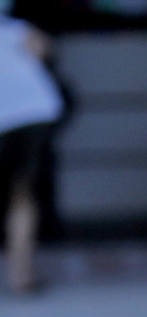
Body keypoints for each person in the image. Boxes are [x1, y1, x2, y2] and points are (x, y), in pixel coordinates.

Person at [0, 10, 62, 295]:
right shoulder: (15, 29)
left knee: (21, 194)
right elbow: (43, 50)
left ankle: (21, 275)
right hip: (32, 114)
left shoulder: (15, 28)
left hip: (25, 116)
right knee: (22, 195)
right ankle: (20, 276)